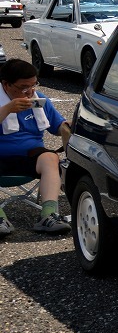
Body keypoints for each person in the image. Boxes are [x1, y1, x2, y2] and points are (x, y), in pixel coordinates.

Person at [0, 59, 72, 236]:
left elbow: (57, 126)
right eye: (24, 87)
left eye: (33, 85)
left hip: (30, 156)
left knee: (50, 157)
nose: (30, 91)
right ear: (6, 85)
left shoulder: (38, 99)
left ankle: (48, 215)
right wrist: (7, 109)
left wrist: (69, 125)